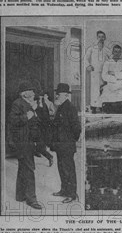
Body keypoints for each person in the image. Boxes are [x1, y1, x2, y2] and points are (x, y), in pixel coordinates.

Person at [7, 81, 43, 210]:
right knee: (29, 169)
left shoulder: (27, 104)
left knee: (23, 167)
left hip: (27, 141)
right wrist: (27, 115)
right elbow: (13, 121)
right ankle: (31, 199)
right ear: (25, 93)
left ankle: (20, 195)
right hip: (23, 142)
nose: (34, 94)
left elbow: (34, 121)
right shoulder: (18, 103)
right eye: (31, 91)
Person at [51, 83, 81, 203]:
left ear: (66, 95)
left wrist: (70, 140)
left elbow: (77, 128)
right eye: (57, 93)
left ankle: (72, 194)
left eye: (59, 94)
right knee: (62, 168)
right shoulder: (61, 107)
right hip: (60, 145)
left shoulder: (70, 108)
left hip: (66, 145)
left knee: (68, 169)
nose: (57, 95)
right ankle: (64, 190)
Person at [85, 31, 111, 113]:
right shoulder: (92, 48)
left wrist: (110, 69)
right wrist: (88, 65)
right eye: (99, 37)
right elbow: (85, 58)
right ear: (97, 38)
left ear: (105, 38)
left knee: (103, 89)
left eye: (103, 37)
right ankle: (93, 108)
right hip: (95, 73)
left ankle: (102, 107)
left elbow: (112, 59)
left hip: (103, 73)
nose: (101, 38)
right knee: (94, 90)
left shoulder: (107, 50)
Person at [100, 45, 122, 114]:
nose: (117, 54)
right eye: (115, 51)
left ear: (121, 53)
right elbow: (104, 76)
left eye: (119, 52)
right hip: (110, 84)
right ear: (112, 52)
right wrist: (117, 76)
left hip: (121, 85)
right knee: (107, 96)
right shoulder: (107, 63)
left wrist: (113, 73)